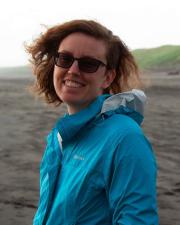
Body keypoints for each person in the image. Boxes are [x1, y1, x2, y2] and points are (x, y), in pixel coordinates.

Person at [26, 19, 158, 225]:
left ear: (107, 77)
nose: (73, 70)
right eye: (65, 58)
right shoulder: (59, 137)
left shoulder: (125, 139)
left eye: (88, 64)